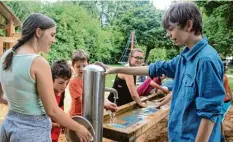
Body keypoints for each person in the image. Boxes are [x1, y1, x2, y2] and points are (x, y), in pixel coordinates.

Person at [102, 2, 225, 141]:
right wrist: (117, 69)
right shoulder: (184, 58)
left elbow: (210, 113)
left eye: (171, 29)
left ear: (189, 25)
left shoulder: (206, 60)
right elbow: (155, 69)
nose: (168, 34)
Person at [0, 13, 92, 142]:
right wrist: (79, 128)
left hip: (8, 126)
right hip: (32, 132)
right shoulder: (38, 62)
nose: (54, 40)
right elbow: (53, 111)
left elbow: (1, 95)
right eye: (52, 35)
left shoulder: (7, 55)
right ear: (38, 32)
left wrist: (21, 104)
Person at [69, 49, 118, 117]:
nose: (81, 69)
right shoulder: (74, 83)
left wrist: (107, 102)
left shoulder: (90, 79)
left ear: (89, 64)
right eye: (78, 66)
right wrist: (103, 104)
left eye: (84, 66)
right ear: (73, 66)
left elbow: (98, 93)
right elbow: (83, 100)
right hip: (77, 115)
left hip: (89, 112)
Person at [50, 60, 72, 142]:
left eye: (67, 83)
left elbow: (61, 110)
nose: (64, 86)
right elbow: (42, 122)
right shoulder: (48, 96)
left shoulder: (61, 93)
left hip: (55, 136)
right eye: (61, 83)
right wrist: (58, 125)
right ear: (51, 79)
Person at [220, 63, 232, 142]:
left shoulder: (223, 78)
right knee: (219, 120)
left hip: (225, 102)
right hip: (225, 101)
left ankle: (222, 138)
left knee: (220, 120)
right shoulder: (224, 77)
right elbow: (229, 88)